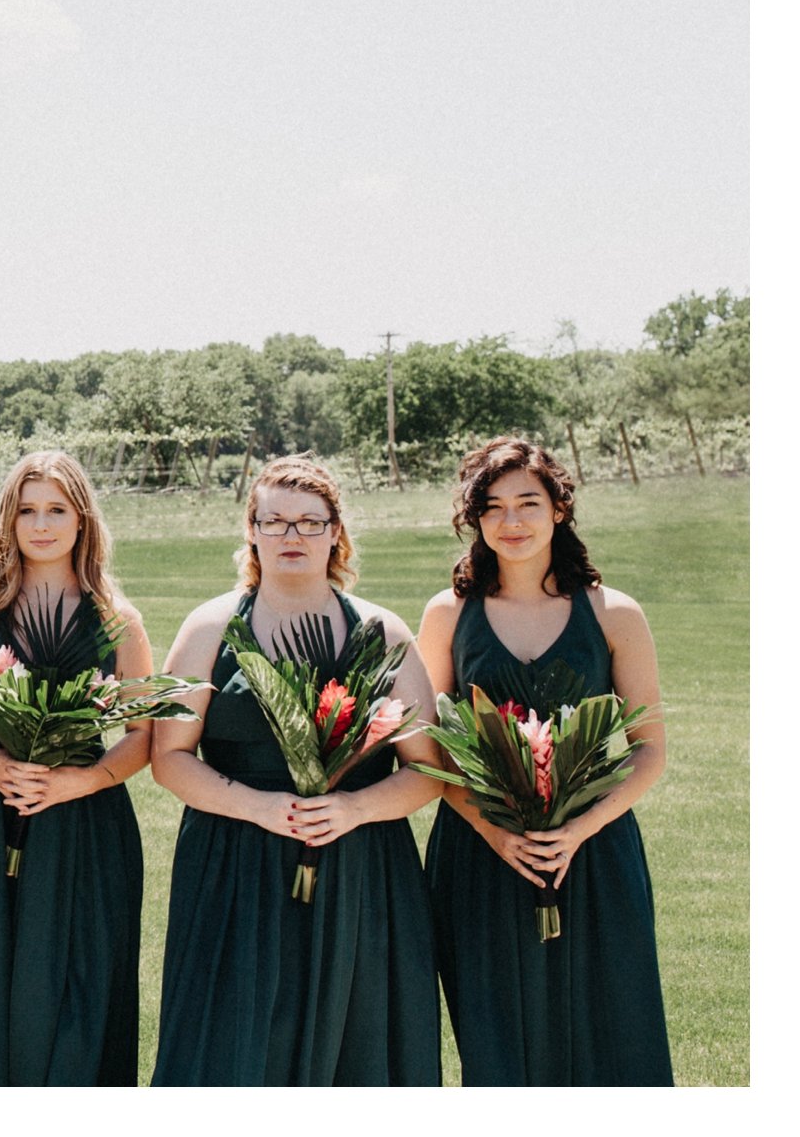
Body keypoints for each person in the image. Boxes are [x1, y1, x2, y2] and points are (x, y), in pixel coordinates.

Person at [149, 454, 441, 1085]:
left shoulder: (383, 632)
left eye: (310, 522)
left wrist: (354, 808)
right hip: (233, 862)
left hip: (360, 866)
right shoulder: (209, 627)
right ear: (251, 531)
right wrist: (256, 807)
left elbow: (428, 770)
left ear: (336, 532)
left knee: (356, 1043)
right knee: (234, 1039)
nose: (291, 535)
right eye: (274, 521)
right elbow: (168, 758)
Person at [417, 437, 672, 1084]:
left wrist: (576, 831)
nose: (513, 522)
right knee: (495, 1038)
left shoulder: (615, 614)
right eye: (493, 507)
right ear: (474, 519)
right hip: (480, 854)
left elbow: (650, 750)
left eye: (528, 502)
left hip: (594, 853)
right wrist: (497, 833)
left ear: (560, 508)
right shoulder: (448, 615)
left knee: (612, 1033)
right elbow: (429, 750)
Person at [0, 449, 153, 1084]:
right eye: (27, 510)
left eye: (56, 510)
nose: (41, 524)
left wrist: (78, 781)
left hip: (86, 823)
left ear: (82, 520)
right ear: (8, 520)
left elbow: (142, 735)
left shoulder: (117, 618)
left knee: (78, 989)